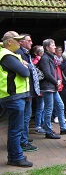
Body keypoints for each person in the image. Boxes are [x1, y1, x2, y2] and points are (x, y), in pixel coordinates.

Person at [0, 31, 33, 167]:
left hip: (14, 96)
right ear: (9, 41)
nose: (20, 42)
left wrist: (23, 65)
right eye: (17, 40)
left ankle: (14, 155)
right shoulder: (7, 56)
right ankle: (16, 157)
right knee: (15, 129)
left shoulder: (9, 55)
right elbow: (25, 72)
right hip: (14, 97)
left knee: (14, 128)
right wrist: (24, 66)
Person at [38, 38, 66, 139]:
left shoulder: (52, 57)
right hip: (47, 87)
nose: (55, 47)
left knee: (60, 105)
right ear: (47, 47)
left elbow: (55, 71)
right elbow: (47, 73)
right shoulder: (45, 58)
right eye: (53, 45)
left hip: (53, 86)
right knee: (48, 109)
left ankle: (63, 127)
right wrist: (56, 82)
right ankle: (48, 131)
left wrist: (59, 80)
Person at [16, 33, 40, 152]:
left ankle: (23, 138)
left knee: (25, 117)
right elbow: (25, 75)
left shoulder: (24, 53)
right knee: (25, 118)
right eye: (29, 40)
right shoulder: (20, 54)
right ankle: (23, 141)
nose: (31, 42)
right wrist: (29, 93)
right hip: (25, 92)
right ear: (21, 42)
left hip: (26, 91)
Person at [31, 45, 46, 134]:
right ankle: (38, 125)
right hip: (40, 86)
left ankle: (41, 123)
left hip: (41, 86)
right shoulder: (37, 59)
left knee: (42, 106)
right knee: (40, 106)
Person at [53, 46, 64, 124]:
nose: (61, 51)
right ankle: (56, 115)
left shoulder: (62, 59)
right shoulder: (54, 59)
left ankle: (60, 116)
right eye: (59, 50)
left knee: (60, 98)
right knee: (56, 100)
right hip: (56, 79)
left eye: (61, 50)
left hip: (61, 78)